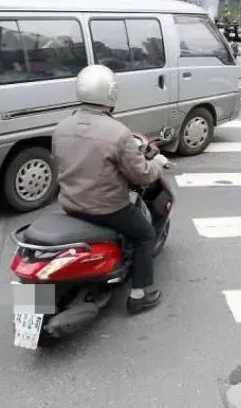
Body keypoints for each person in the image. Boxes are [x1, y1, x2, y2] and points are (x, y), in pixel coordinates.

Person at [51, 64, 170, 315]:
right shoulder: (118, 133)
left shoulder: (61, 127)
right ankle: (139, 296)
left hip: (70, 203)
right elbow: (141, 173)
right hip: (106, 208)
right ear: (111, 93)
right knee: (145, 234)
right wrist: (157, 165)